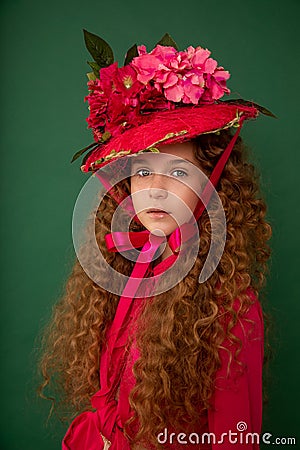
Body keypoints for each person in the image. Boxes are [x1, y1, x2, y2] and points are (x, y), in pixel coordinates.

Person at [39, 31, 273, 449]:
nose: (157, 189)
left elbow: (234, 436)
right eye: (144, 172)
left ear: (212, 183)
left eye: (179, 172)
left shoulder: (228, 304)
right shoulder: (127, 268)